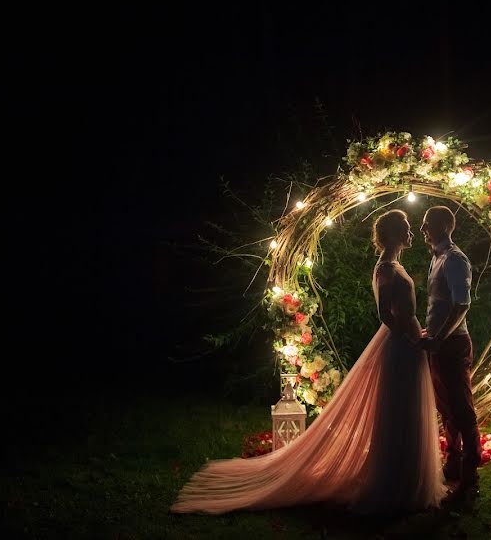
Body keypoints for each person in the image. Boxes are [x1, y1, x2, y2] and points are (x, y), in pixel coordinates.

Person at [171, 209, 445, 515]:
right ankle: (395, 484)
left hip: (409, 342)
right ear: (394, 233)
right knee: (399, 411)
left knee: (407, 409)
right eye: (406, 227)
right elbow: (384, 314)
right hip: (400, 347)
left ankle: (406, 479)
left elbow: (401, 311)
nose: (411, 232)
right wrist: (408, 336)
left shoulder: (394, 265)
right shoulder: (385, 269)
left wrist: (414, 332)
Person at [418, 206, 482, 499]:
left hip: (453, 344)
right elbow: (439, 305)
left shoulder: (455, 260)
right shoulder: (437, 259)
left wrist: (440, 337)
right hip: (438, 343)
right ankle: (454, 462)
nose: (422, 230)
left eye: (427, 224)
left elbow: (462, 305)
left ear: (444, 226)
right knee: (446, 407)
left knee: (462, 408)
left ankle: (470, 474)